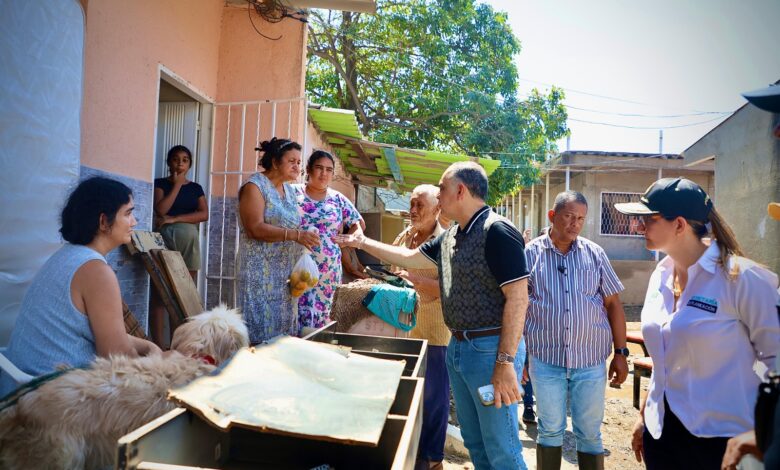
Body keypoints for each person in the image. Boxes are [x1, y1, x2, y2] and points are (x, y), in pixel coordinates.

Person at [336, 161, 530, 470]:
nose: (439, 196)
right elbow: (409, 257)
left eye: (442, 188)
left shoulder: (497, 231)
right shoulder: (453, 235)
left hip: (490, 349)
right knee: (477, 445)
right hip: (460, 347)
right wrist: (361, 242)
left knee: (502, 449)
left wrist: (505, 362)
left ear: (460, 190)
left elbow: (519, 299)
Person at [614, 178, 780, 470]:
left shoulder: (743, 279)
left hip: (723, 442)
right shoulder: (660, 275)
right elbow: (666, 362)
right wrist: (645, 415)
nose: (638, 227)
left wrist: (762, 436)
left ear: (679, 224)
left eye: (648, 219)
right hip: (663, 435)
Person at [0, 177, 161, 396]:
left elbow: (108, 333)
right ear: (104, 222)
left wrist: (148, 346)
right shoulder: (97, 272)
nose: (134, 222)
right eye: (128, 213)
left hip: (19, 390)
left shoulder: (67, 256)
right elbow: (119, 362)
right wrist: (160, 364)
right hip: (51, 400)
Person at [524, 190, 628, 470]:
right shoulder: (530, 254)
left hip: (590, 361)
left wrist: (621, 353)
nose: (575, 224)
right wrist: (519, 356)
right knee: (549, 430)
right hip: (546, 359)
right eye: (569, 216)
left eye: (581, 218)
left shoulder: (595, 254)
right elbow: (518, 307)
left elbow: (613, 305)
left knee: (590, 433)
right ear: (552, 216)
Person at [237, 138, 320, 344]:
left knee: (282, 334)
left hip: (284, 276)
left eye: (299, 162)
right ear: (275, 162)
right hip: (258, 273)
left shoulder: (289, 190)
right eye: (292, 161)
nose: (297, 167)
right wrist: (296, 235)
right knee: (258, 332)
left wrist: (305, 236)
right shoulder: (254, 186)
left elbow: (291, 225)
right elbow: (254, 228)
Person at [390, 184, 449, 470]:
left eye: (420, 205)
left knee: (434, 400)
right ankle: (407, 454)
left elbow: (448, 289)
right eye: (411, 204)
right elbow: (392, 273)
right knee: (404, 396)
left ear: (438, 207)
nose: (413, 210)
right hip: (401, 331)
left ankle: (432, 459)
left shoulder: (446, 242)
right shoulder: (404, 237)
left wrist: (413, 280)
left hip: (434, 333)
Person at [291, 150, 362, 329]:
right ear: (308, 169)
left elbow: (358, 224)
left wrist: (347, 240)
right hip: (297, 266)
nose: (324, 173)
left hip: (328, 271)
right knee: (295, 312)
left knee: (323, 319)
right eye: (319, 168)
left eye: (329, 170)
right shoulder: (292, 193)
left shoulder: (337, 199)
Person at [151, 145, 208, 345]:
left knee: (184, 293)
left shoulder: (195, 188)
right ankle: (159, 346)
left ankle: (178, 344)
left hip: (189, 244)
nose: (180, 163)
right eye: (176, 159)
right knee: (160, 294)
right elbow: (160, 210)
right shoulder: (160, 184)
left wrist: (175, 219)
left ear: (190, 164)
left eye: (185, 160)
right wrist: (176, 185)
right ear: (169, 162)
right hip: (164, 242)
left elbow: (204, 214)